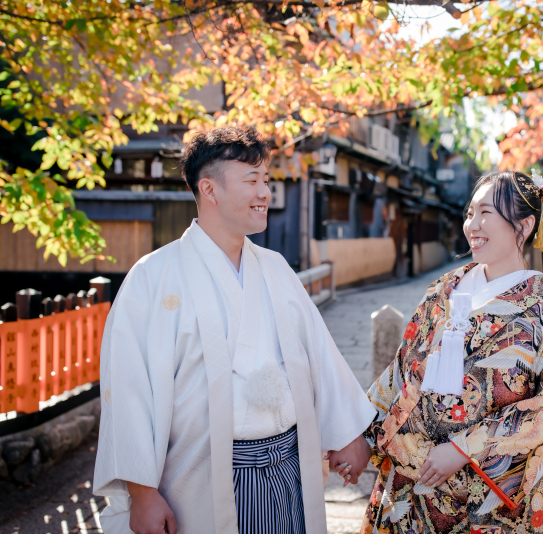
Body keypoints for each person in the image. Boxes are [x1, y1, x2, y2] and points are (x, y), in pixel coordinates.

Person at [93, 126, 374, 534]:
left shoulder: (275, 267)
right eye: (252, 181)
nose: (266, 193)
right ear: (209, 189)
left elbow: (319, 356)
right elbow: (130, 390)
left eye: (266, 180)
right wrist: (142, 493)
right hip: (199, 475)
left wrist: (347, 432)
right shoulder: (153, 277)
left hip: (289, 465)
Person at [357, 171, 543, 533]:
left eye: (486, 213)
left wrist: (464, 448)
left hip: (489, 495)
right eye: (469, 213)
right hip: (418, 473)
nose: (472, 225)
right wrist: (358, 433)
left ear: (524, 225)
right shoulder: (445, 288)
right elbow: (403, 367)